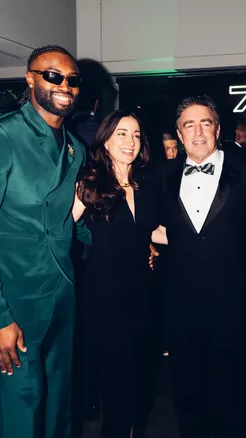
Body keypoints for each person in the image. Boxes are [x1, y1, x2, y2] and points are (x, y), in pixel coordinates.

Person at [0, 45, 90, 438]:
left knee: (59, 407)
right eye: (53, 75)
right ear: (30, 78)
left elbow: (69, 222)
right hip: (13, 302)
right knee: (22, 411)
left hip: (62, 296)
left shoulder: (75, 148)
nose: (64, 85)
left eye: (72, 79)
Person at [155, 95, 246, 438]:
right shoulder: (162, 175)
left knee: (232, 396)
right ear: (179, 133)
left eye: (205, 123)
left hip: (234, 306)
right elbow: (146, 225)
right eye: (189, 125)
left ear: (217, 129)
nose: (198, 132)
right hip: (180, 308)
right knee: (186, 394)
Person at [72, 110, 160, 438]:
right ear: (105, 140)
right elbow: (59, 230)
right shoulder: (90, 183)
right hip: (105, 298)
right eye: (121, 133)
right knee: (117, 384)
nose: (130, 141)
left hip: (144, 294)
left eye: (136, 135)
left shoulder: (145, 184)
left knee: (139, 383)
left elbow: (152, 231)